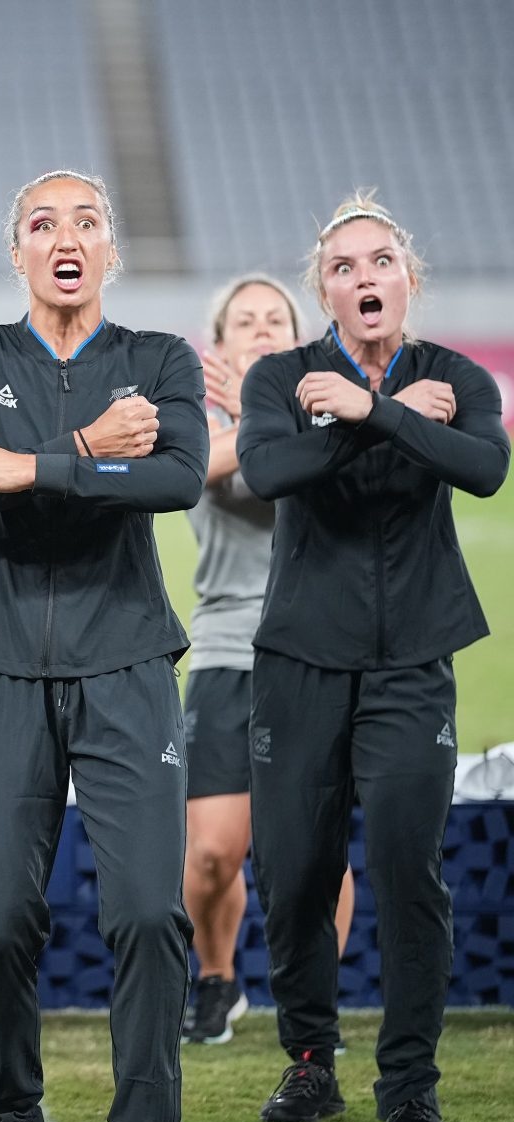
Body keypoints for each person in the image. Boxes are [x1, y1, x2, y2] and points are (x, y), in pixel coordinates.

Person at [0, 170, 206, 1122]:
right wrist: (84, 452)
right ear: (17, 251)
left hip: (125, 661)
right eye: (43, 223)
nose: (65, 237)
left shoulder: (158, 359)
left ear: (110, 252)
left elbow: (175, 478)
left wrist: (23, 469)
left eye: (87, 220)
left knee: (143, 911)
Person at [239, 194, 507, 1122]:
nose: (365, 278)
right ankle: (310, 1061)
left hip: (411, 663)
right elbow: (267, 474)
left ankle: (408, 1081)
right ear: (325, 289)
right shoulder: (280, 374)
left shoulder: (457, 374)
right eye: (345, 266)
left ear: (409, 279)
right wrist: (382, 416)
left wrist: (370, 410)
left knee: (406, 866)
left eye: (381, 261)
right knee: (298, 870)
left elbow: (485, 468)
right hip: (301, 659)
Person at [181, 276, 353, 1045]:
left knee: (318, 848)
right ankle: (217, 977)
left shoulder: (334, 411)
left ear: (299, 338)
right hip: (224, 644)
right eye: (243, 322)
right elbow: (207, 474)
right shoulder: (200, 421)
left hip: (316, 646)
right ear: (219, 346)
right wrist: (254, 410)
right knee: (214, 850)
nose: (259, 330)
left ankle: (315, 1003)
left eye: (274, 319)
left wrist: (272, 409)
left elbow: (311, 480)